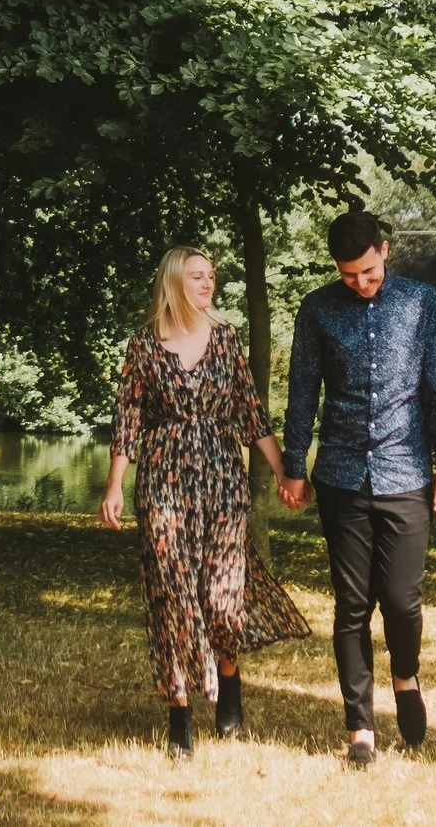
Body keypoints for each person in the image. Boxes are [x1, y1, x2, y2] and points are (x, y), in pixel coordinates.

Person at [100, 245, 309, 757]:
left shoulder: (226, 338)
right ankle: (180, 712)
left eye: (211, 276)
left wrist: (285, 471)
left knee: (220, 597)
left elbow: (251, 414)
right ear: (174, 281)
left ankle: (229, 676)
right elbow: (128, 420)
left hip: (222, 481)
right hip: (163, 483)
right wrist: (115, 486)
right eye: (197, 276)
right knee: (172, 595)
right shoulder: (144, 345)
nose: (208, 283)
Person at [279, 205, 436, 764]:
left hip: (406, 472)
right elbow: (303, 389)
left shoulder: (422, 302)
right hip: (341, 475)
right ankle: (360, 727)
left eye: (369, 272)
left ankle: (405, 676)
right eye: (348, 275)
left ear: (385, 252)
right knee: (352, 605)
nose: (360, 284)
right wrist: (294, 464)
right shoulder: (318, 309)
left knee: (401, 602)